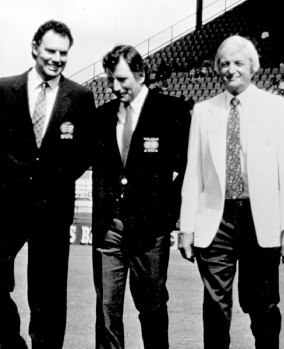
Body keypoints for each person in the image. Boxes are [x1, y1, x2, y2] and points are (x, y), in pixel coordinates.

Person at [178, 35, 284, 349]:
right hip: (216, 219)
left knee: (262, 305)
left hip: (260, 219)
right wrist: (187, 228)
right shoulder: (204, 111)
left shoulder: (278, 108)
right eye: (224, 64)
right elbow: (193, 174)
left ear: (253, 67)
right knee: (216, 305)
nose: (231, 70)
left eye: (238, 63)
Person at [0, 20, 95, 349]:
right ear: (35, 48)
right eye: (51, 50)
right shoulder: (3, 89)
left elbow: (85, 151)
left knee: (49, 295)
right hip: (7, 207)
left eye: (64, 53)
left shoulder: (80, 96)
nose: (57, 58)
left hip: (53, 209)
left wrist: (54, 177)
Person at [91, 45, 190, 349]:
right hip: (110, 230)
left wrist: (167, 214)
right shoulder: (102, 116)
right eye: (110, 80)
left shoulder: (171, 111)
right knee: (107, 310)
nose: (115, 87)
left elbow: (189, 168)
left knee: (152, 307)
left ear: (141, 74)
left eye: (122, 80)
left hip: (150, 233)